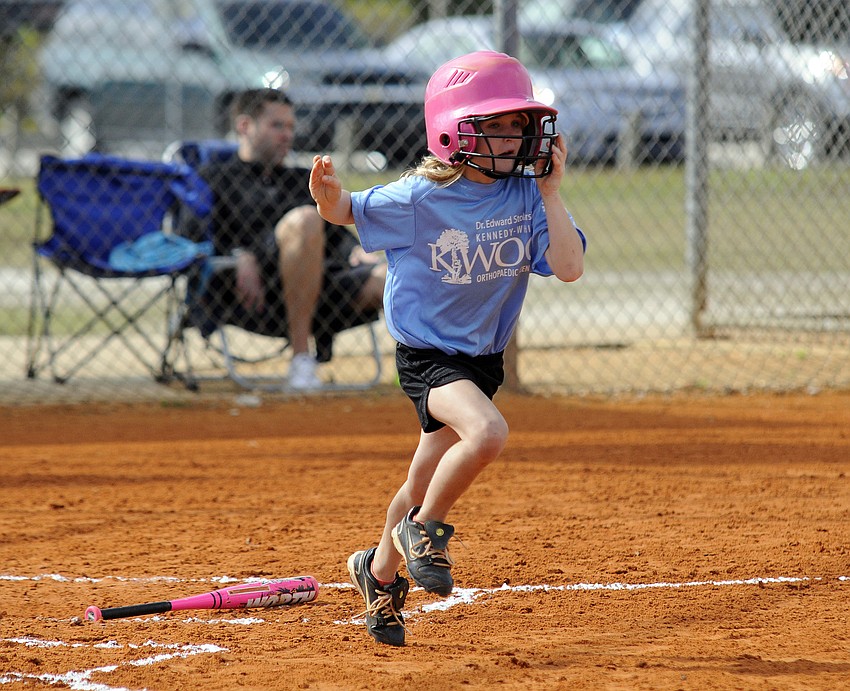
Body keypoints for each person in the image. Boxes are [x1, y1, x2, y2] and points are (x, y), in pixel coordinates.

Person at [309, 51, 586, 645]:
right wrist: (328, 196)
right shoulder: (419, 197)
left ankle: (377, 573)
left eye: (520, 124)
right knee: (487, 434)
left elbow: (568, 268)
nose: (514, 138)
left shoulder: (527, 197)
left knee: (421, 475)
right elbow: (347, 211)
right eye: (498, 124)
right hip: (428, 353)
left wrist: (554, 194)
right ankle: (424, 529)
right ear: (453, 130)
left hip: (481, 358)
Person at [182, 88, 386, 389]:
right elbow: (191, 239)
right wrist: (237, 254)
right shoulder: (214, 177)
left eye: (291, 127)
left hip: (319, 289)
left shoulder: (302, 178)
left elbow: (335, 234)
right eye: (277, 125)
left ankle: (431, 366)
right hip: (253, 293)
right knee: (304, 218)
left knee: (393, 275)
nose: (287, 135)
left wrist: (356, 249)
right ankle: (301, 361)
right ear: (244, 126)